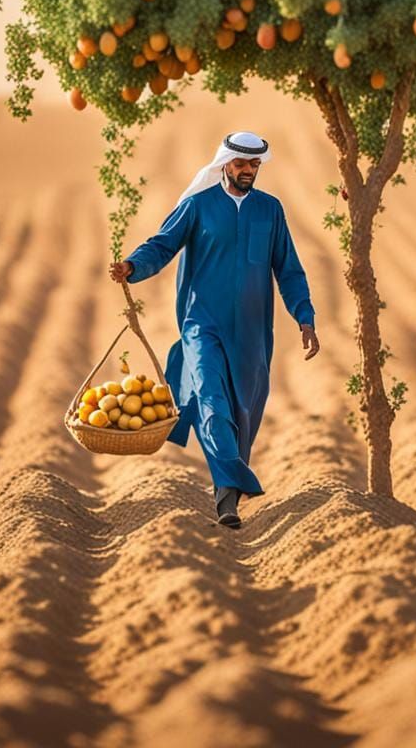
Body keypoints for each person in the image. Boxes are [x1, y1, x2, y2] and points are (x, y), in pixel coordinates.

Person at [110, 128, 318, 530]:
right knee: (210, 398)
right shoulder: (199, 206)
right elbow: (162, 244)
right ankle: (228, 495)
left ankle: (231, 483)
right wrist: (133, 266)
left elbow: (288, 269)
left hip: (254, 331)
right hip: (201, 322)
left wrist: (305, 316)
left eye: (254, 165)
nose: (248, 171)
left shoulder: (270, 210)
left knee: (244, 409)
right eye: (240, 163)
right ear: (224, 163)